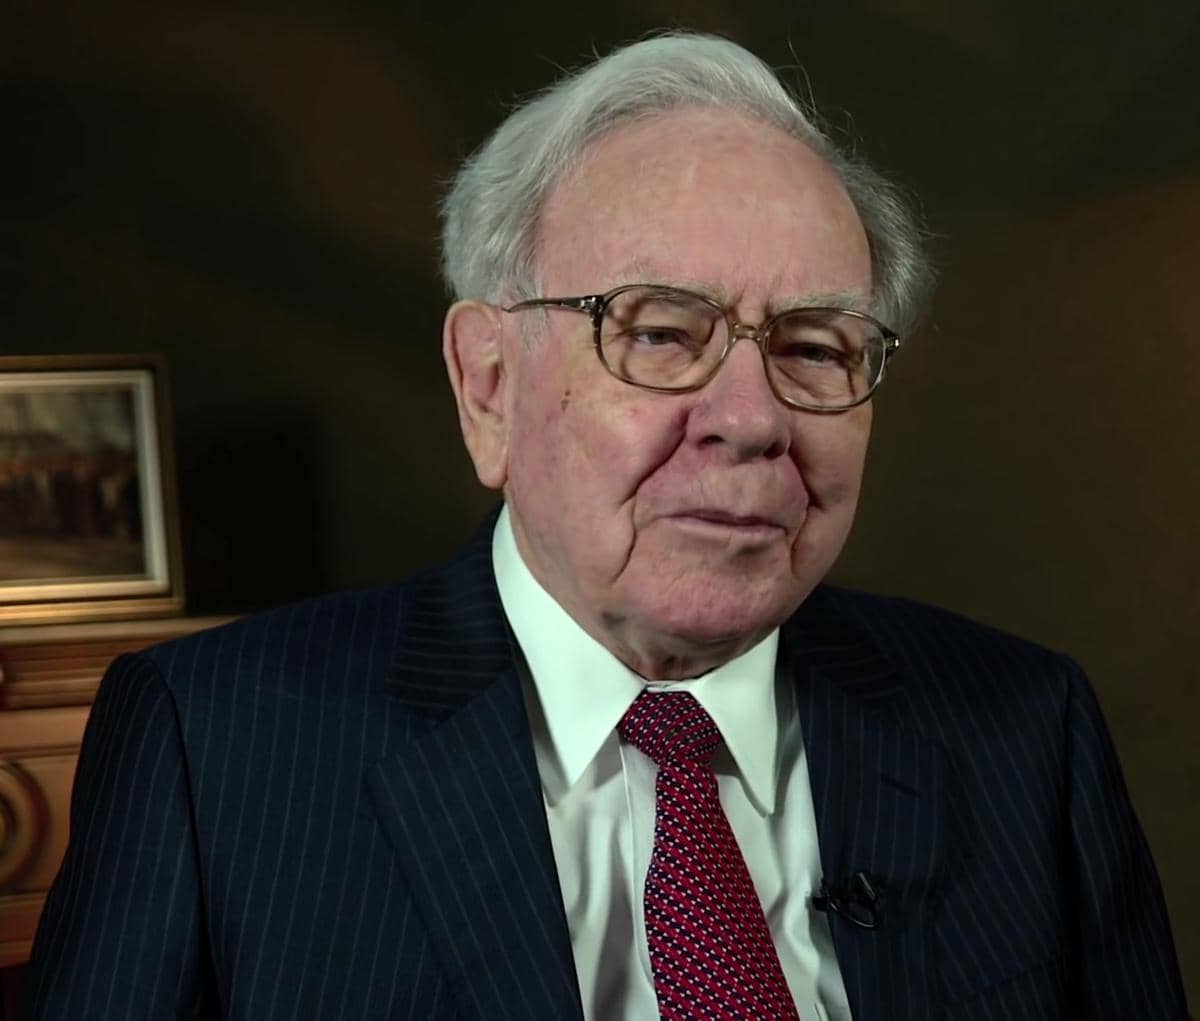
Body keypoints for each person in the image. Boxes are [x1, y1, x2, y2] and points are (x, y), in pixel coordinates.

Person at [22, 32, 1187, 1021]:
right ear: (488, 386)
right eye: (660, 332)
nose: (751, 419)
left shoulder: (1024, 733)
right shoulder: (215, 747)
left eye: (814, 346)